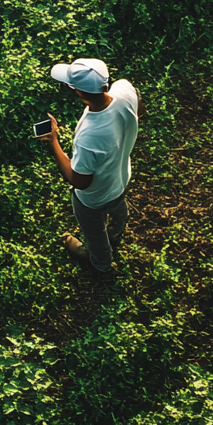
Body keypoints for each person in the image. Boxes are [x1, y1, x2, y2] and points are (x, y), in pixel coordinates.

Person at [38, 58, 145, 274]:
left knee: (94, 232)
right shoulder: (124, 89)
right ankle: (115, 232)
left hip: (94, 199)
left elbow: (79, 181)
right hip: (121, 178)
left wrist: (53, 141)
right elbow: (140, 110)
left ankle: (101, 263)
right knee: (118, 207)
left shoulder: (90, 135)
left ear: (78, 91)